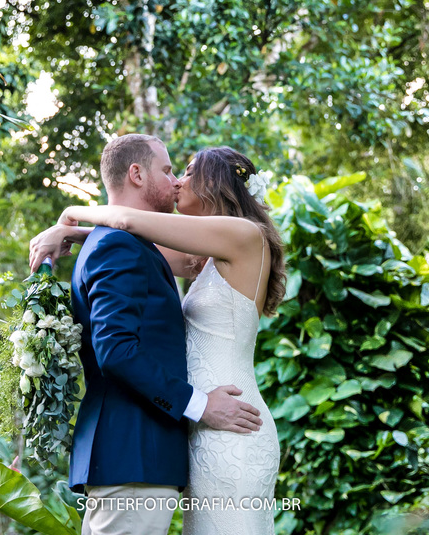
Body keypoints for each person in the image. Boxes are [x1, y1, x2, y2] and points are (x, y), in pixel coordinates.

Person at [31, 135, 285, 535]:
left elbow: (127, 222)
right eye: (171, 171)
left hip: (231, 419)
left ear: (214, 183)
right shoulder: (204, 255)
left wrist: (69, 216)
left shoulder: (243, 235)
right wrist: (72, 236)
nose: (178, 182)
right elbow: (128, 241)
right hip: (198, 426)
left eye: (184, 172)